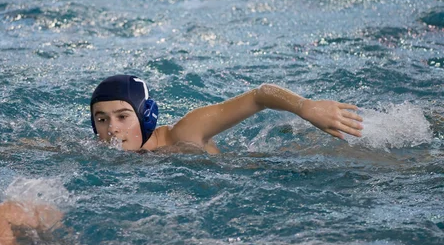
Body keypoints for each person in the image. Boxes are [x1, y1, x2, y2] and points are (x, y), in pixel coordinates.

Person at [90, 75, 363, 154]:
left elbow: (260, 95)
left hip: (269, 168)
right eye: (101, 119)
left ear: (146, 116)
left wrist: (306, 107)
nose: (112, 129)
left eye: (123, 116)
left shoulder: (185, 133)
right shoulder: (95, 150)